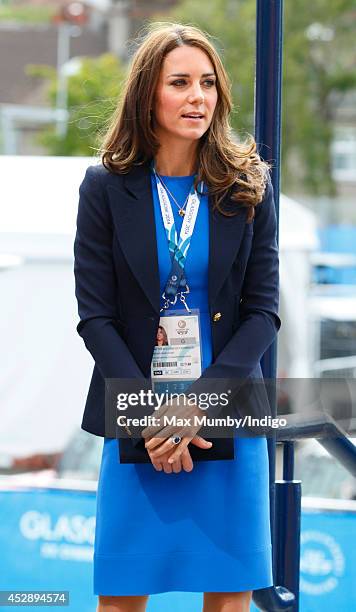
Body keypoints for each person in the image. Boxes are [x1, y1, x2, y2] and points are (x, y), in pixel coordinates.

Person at [74, 22, 281, 612]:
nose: (199, 97)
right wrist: (152, 418)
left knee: (230, 594)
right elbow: (96, 318)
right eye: (181, 83)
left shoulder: (246, 187)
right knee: (121, 596)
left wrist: (197, 406)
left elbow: (263, 313)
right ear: (148, 94)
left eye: (209, 84)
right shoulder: (104, 190)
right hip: (137, 408)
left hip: (230, 406)